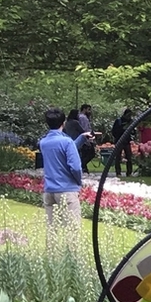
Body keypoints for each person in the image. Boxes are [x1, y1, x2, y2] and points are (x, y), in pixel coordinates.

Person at [39, 108, 93, 260]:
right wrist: (78, 181)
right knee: (72, 229)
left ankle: (51, 260)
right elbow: (75, 166)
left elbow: (60, 149)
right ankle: (72, 261)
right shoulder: (66, 142)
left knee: (51, 229)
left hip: (49, 191)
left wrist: (81, 138)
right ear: (63, 123)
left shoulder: (43, 143)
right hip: (67, 190)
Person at [108, 108, 136, 176]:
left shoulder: (131, 122)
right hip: (119, 140)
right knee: (118, 157)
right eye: (128, 115)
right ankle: (118, 172)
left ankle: (129, 172)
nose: (129, 117)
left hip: (127, 141)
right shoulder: (119, 121)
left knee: (129, 157)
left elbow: (133, 132)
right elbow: (114, 131)